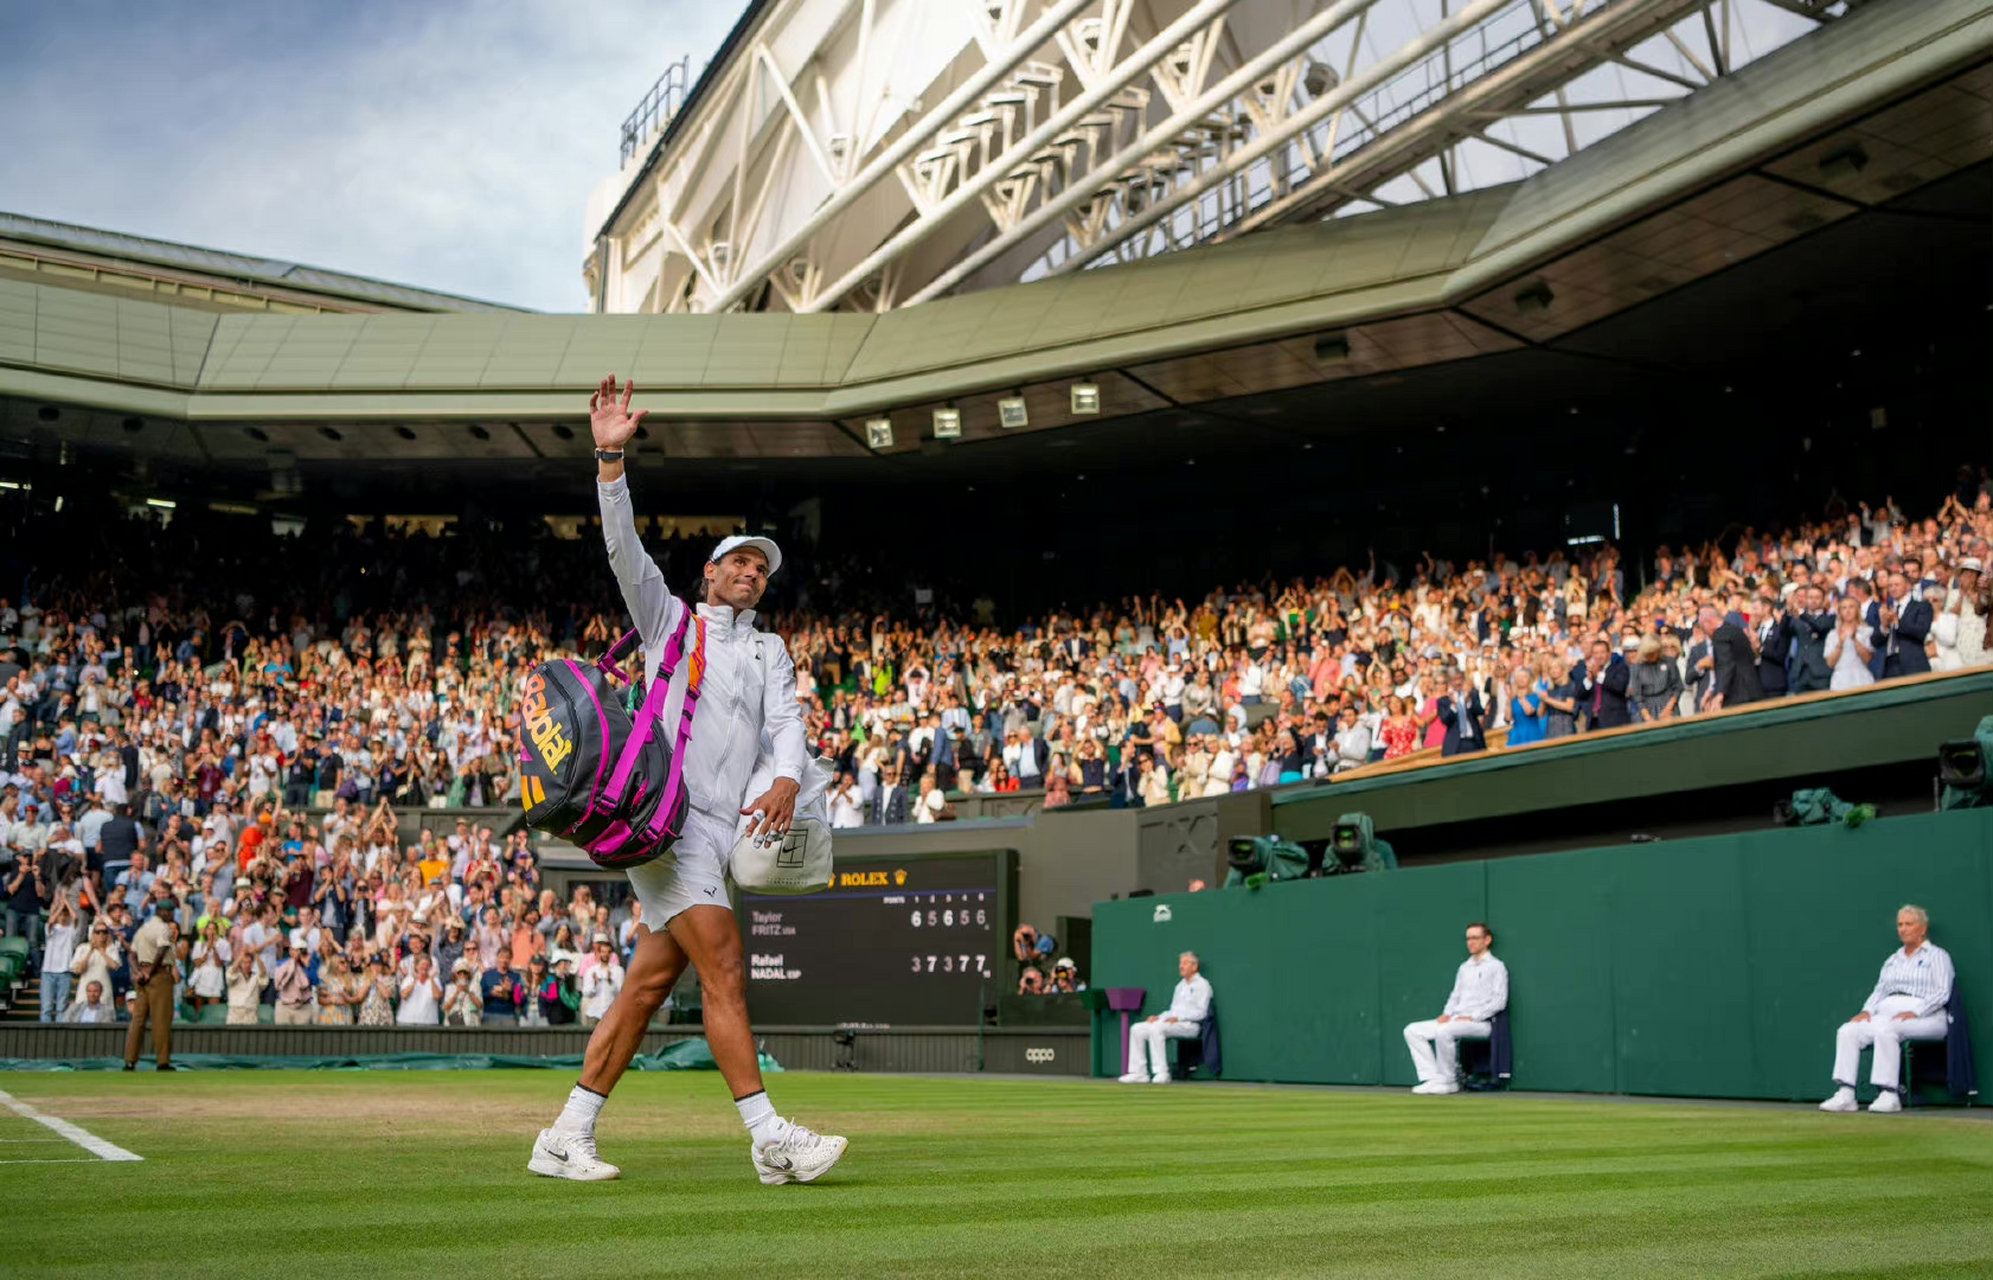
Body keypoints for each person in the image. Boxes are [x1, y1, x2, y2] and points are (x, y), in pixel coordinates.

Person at [529, 376, 845, 1187]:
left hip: (722, 827)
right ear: (708, 575)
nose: (751, 573)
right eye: (737, 562)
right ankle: (769, 1135)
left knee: (645, 989)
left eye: (760, 568)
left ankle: (566, 1132)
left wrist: (783, 780)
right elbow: (621, 549)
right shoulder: (667, 619)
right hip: (663, 823)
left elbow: (787, 725)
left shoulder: (770, 650)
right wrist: (609, 457)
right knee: (726, 969)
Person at [1820, 905, 1954, 1114]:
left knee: (1888, 1030)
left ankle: (1889, 1094)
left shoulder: (1937, 956)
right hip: (1888, 1014)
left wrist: (1917, 1012)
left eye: (1908, 924)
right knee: (1848, 1030)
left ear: (1922, 929)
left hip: (1928, 1017)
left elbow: (1942, 992)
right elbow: (1879, 990)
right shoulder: (1893, 959)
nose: (1903, 929)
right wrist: (1867, 1011)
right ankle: (1846, 1094)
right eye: (1900, 924)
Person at [1403, 921, 1508, 1095]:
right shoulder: (1464, 968)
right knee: (1413, 1030)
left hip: (1484, 1024)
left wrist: (1474, 1016)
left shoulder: (1496, 967)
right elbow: (1455, 995)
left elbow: (1500, 1000)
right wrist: (1447, 1013)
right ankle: (1432, 1078)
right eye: (1468, 938)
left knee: (1445, 1031)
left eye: (1475, 938)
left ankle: (1449, 1081)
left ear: (1487, 940)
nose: (1471, 942)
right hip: (1455, 1019)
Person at [1119, 951, 1212, 1085]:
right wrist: (1158, 1017)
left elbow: (1202, 1013)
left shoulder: (1203, 985)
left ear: (1194, 966)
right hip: (1172, 1024)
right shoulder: (1180, 986)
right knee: (1137, 1029)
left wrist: (1179, 1018)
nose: (1181, 966)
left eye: (1185, 963)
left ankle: (1161, 1072)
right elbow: (1172, 1011)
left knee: (1157, 1028)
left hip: (1191, 1026)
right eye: (1181, 963)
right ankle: (1138, 1072)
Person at [122, 899, 178, 1072]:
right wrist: (150, 972)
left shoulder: (143, 928)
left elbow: (131, 954)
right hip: (158, 975)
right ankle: (163, 1062)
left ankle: (130, 1060)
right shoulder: (163, 928)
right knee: (161, 1019)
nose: (172, 915)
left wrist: (138, 972)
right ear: (164, 912)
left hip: (142, 977)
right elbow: (161, 950)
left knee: (138, 1019)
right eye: (170, 912)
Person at [273, 936, 317, 1025]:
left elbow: (314, 981)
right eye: (296, 950)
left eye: (301, 950)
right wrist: (293, 962)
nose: (298, 953)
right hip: (285, 1005)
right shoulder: (283, 963)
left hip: (304, 1006)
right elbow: (279, 981)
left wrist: (306, 965)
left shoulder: (310, 964)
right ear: (290, 951)